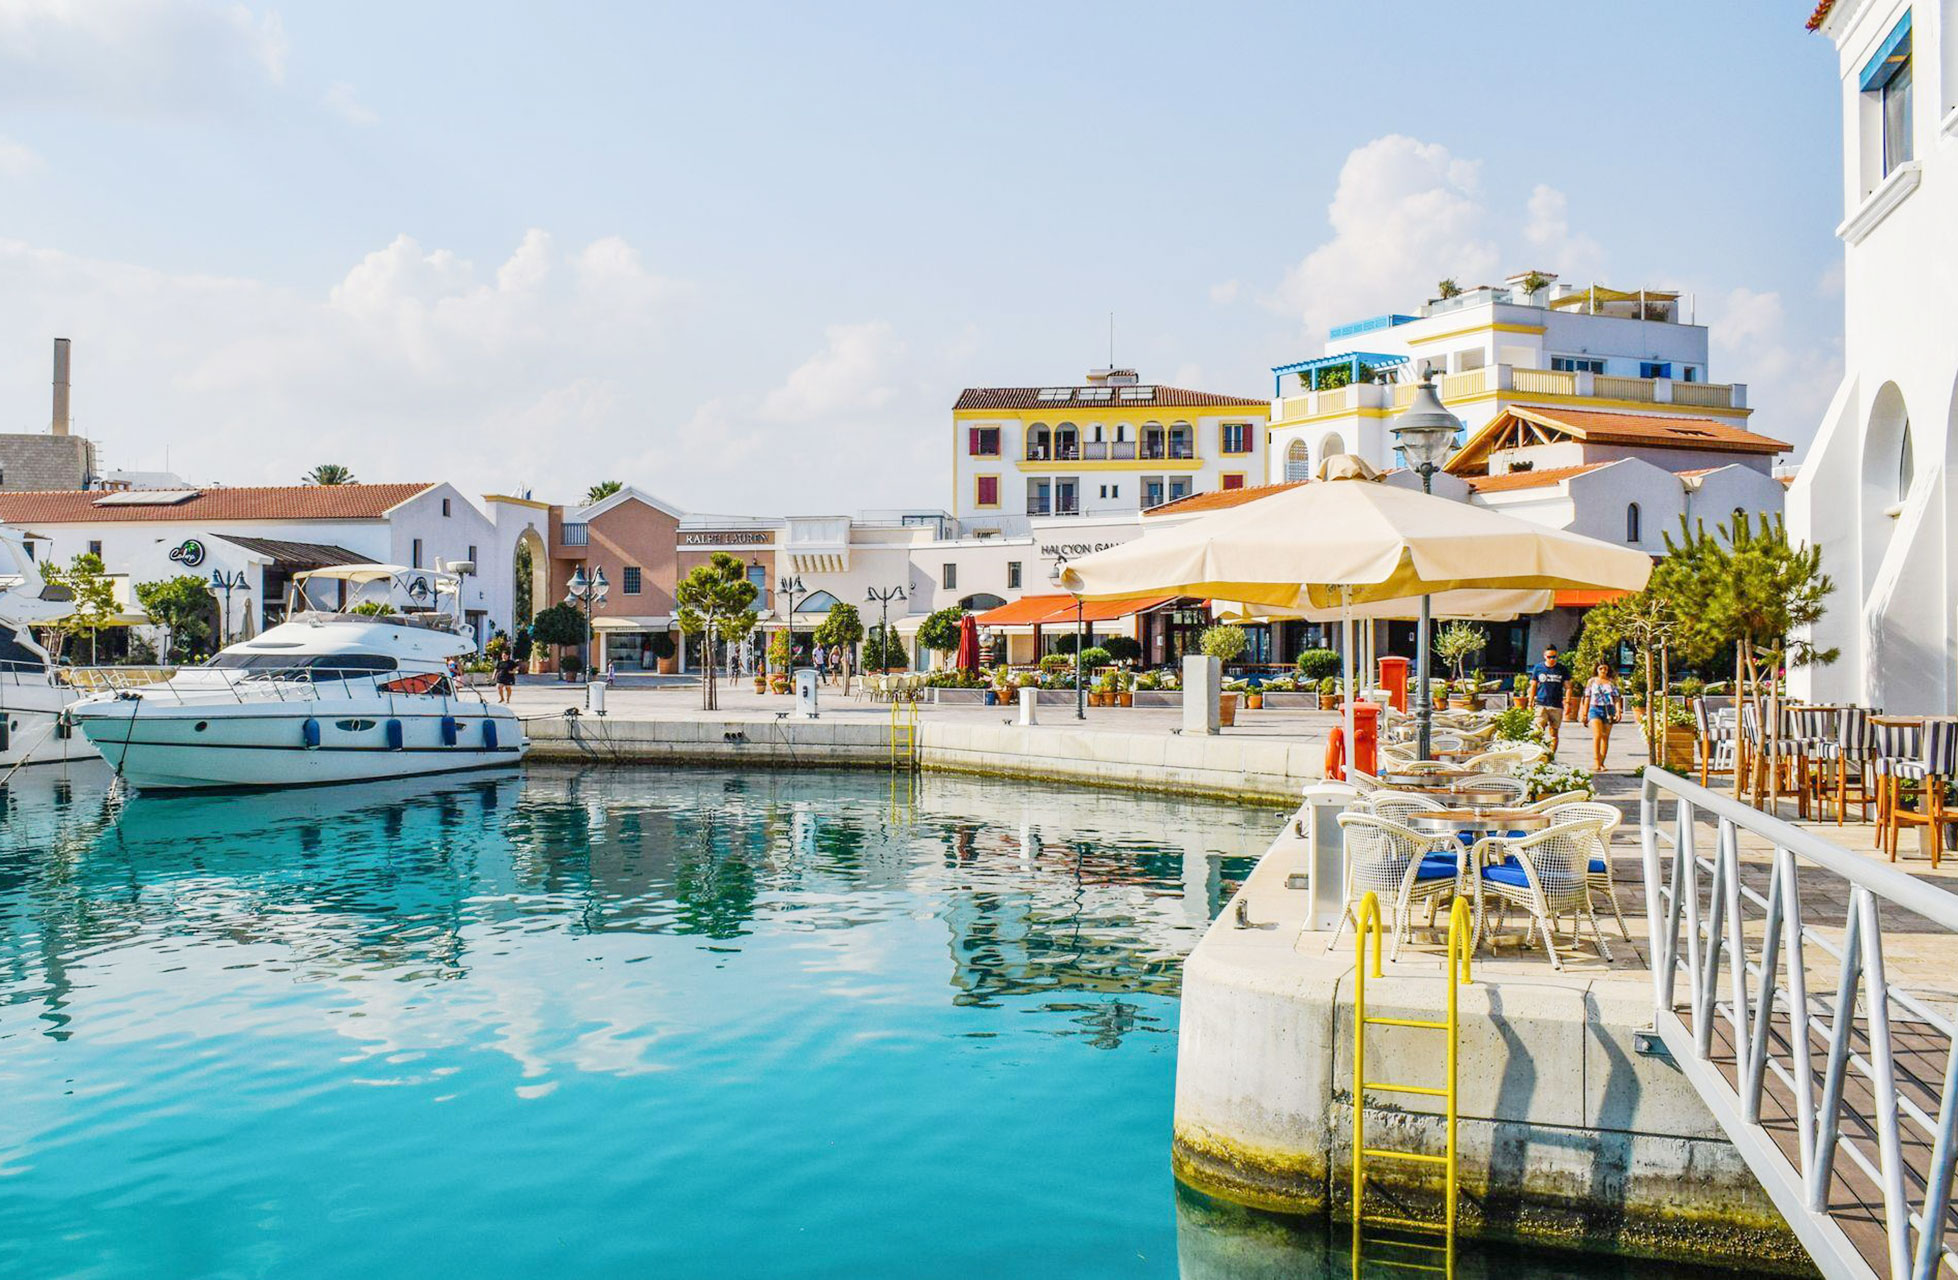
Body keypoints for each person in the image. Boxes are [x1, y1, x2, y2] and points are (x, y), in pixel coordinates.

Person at [1527, 644, 1574, 754]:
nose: (1552, 659)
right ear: (1544, 656)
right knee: (1538, 731)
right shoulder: (1538, 668)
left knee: (1554, 733)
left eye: (1554, 657)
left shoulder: (1562, 669)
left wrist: (1567, 703)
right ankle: (1538, 753)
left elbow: (1568, 687)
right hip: (1541, 704)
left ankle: (1551, 754)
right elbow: (1533, 685)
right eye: (1549, 657)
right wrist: (1530, 702)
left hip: (1556, 705)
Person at [1583, 661, 1623, 771]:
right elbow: (1587, 697)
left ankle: (1602, 762)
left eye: (1605, 668)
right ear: (1597, 669)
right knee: (1598, 735)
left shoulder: (1611, 683)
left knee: (1605, 737)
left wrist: (1618, 710)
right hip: (1595, 708)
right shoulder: (1591, 682)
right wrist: (1584, 713)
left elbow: (1616, 698)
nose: (1603, 671)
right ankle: (1596, 761)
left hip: (1608, 709)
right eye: (1601, 668)